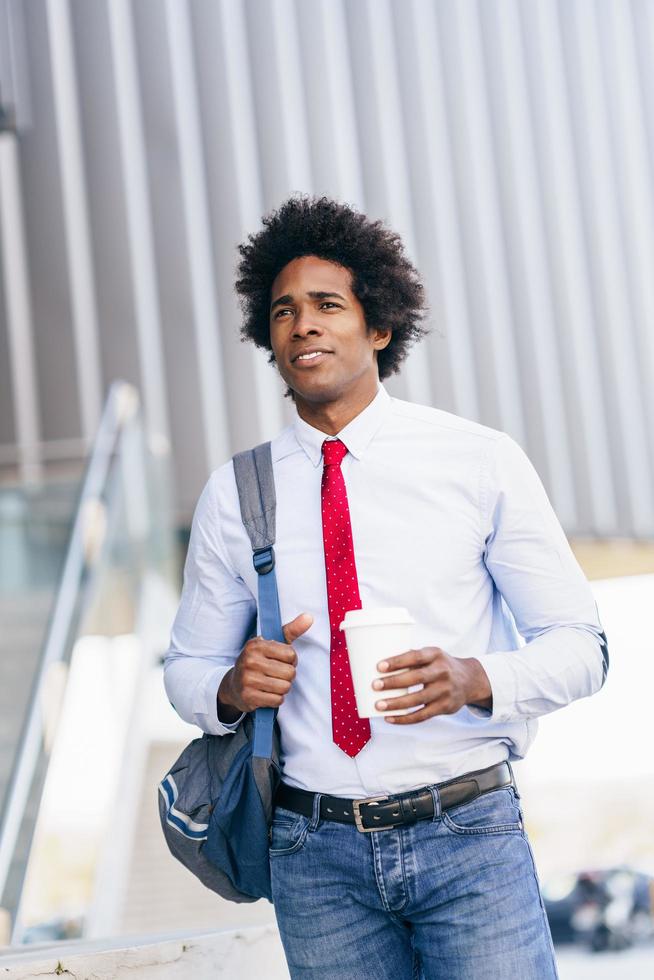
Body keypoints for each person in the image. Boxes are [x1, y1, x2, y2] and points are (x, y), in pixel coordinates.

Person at [163, 195, 608, 979]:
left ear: (378, 326)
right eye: (283, 311)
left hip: (468, 833)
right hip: (312, 855)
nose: (303, 324)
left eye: (327, 305)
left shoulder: (476, 461)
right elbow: (185, 670)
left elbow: (584, 648)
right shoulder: (237, 493)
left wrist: (476, 679)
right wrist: (231, 686)